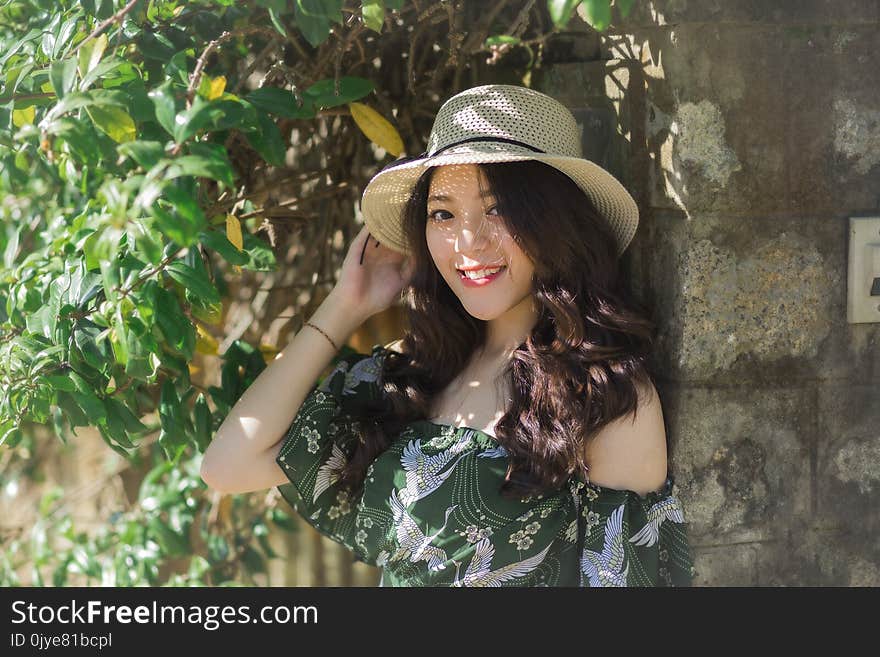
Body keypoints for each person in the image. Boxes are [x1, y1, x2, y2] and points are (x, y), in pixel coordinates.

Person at [200, 84, 696, 587]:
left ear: (555, 222)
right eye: (443, 213)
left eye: (498, 208)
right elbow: (230, 464)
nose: (468, 242)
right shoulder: (414, 372)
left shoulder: (605, 395)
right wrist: (345, 306)